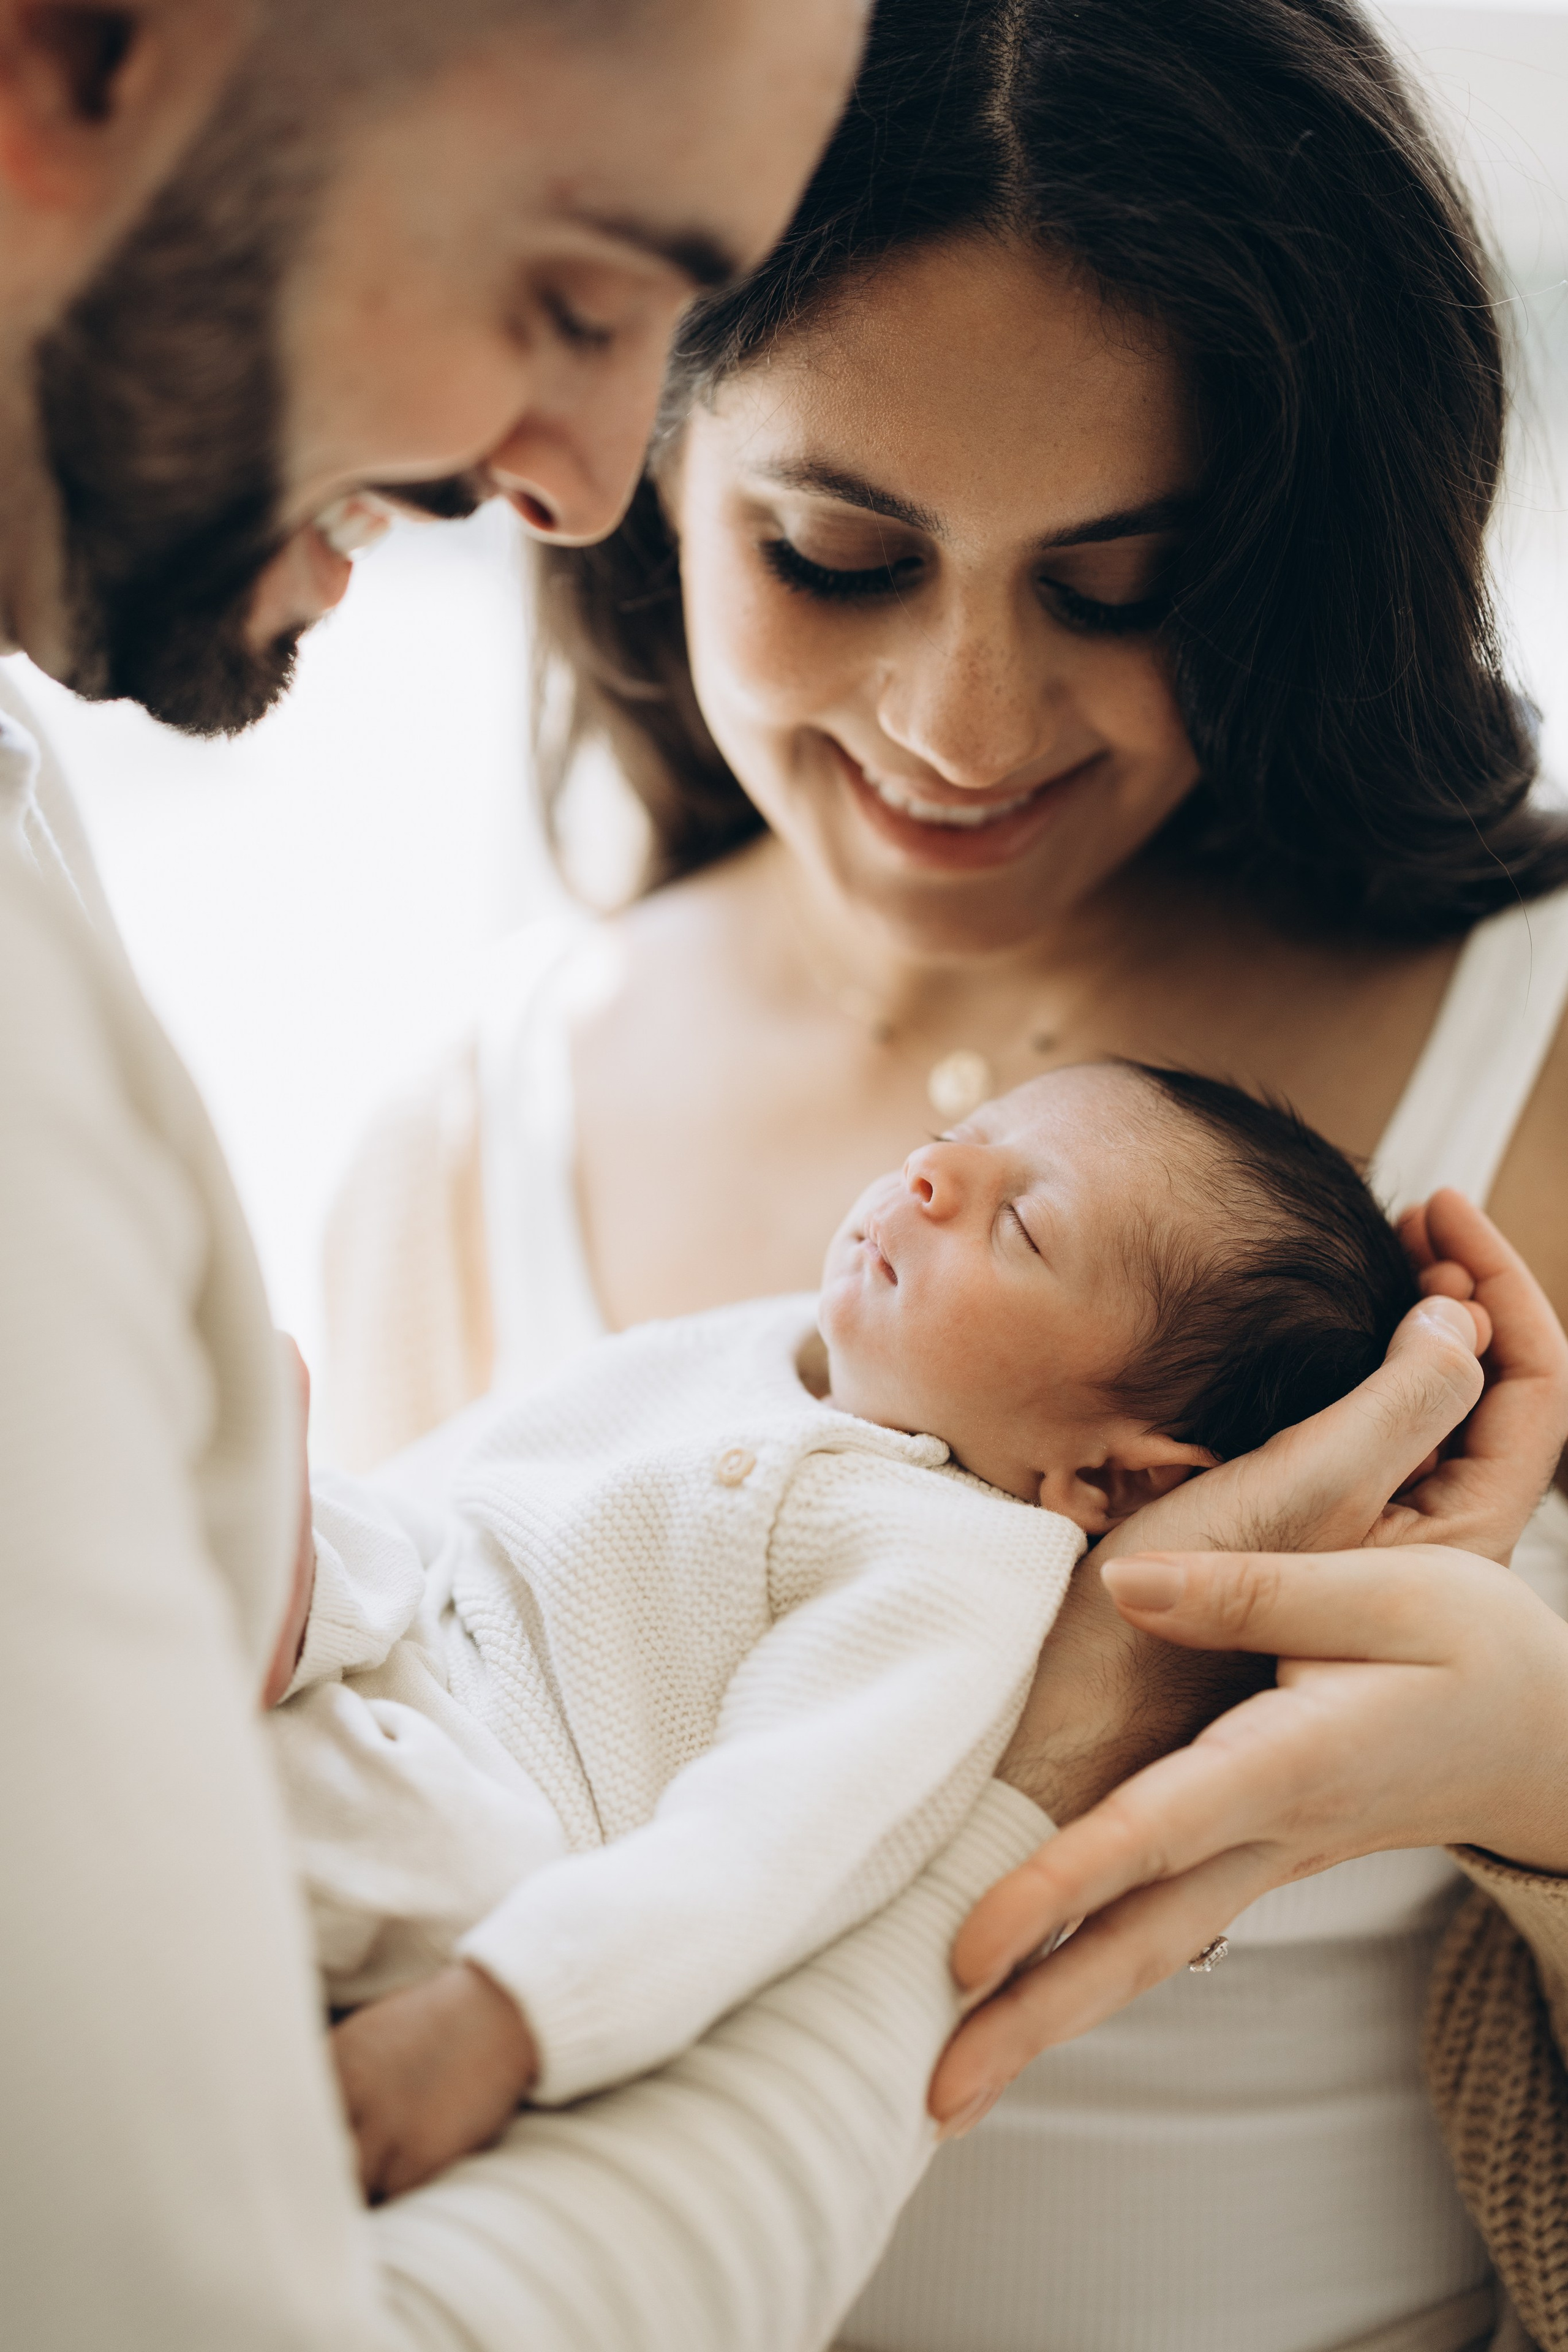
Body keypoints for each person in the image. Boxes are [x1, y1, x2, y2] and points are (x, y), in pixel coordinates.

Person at [323, 1, 1568, 2343]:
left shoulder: (1540, 1047)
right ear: (637, 464)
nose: (961, 728)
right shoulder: (476, 1127)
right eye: (834, 554)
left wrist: (1542, 1786)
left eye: (1121, 585)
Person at [284, 1060, 1453, 2201]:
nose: (933, 1169)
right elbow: (463, 1511)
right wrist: (321, 1565)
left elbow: (762, 1851)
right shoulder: (756, 1351)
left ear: (1115, 1480)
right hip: (367, 1669)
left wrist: (501, 2018)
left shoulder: (948, 1573)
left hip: (466, 1841)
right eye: (971, 1136)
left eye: (1021, 1227)